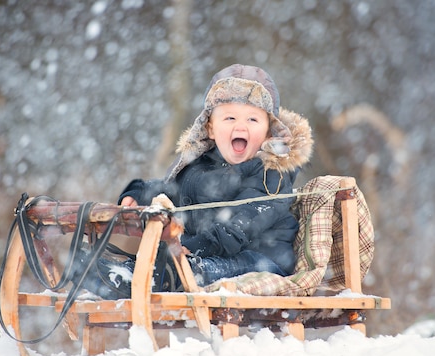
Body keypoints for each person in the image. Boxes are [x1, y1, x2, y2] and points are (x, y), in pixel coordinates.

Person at [77, 64, 313, 300]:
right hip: (207, 254)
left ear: (269, 132)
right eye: (229, 117)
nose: (240, 126)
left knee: (194, 269)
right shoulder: (201, 166)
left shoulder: (271, 172)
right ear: (210, 128)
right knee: (172, 263)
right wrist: (139, 193)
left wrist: (198, 246)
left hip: (261, 261)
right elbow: (169, 191)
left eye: (252, 119)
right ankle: (121, 274)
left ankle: (161, 275)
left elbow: (242, 224)